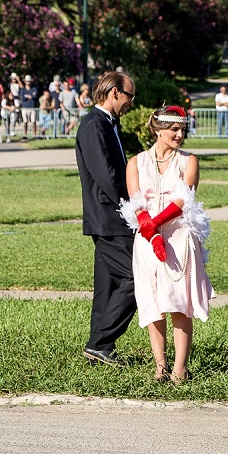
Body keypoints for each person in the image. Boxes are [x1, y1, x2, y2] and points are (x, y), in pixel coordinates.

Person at [120, 105, 214, 383]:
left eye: (182, 129)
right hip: (147, 240)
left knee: (179, 303)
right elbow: (136, 201)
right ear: (157, 130)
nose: (179, 134)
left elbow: (184, 198)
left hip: (180, 236)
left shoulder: (189, 161)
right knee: (153, 301)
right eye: (173, 129)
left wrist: (157, 223)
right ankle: (160, 365)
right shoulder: (136, 162)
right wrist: (150, 231)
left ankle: (180, 368)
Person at [74, 70, 138, 366]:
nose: (131, 103)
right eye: (129, 96)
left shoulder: (107, 124)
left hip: (110, 217)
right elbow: (107, 177)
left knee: (108, 286)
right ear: (114, 93)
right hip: (110, 217)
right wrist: (133, 206)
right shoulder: (93, 126)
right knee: (136, 278)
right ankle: (101, 342)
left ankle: (98, 349)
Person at [19, 74, 38, 139]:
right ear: (25, 82)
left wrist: (27, 96)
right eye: (27, 81)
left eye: (29, 81)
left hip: (32, 107)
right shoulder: (23, 89)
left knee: (33, 121)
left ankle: (34, 135)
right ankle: (25, 134)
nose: (28, 82)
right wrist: (30, 96)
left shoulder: (34, 88)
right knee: (25, 122)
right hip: (25, 107)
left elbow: (35, 96)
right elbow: (22, 98)